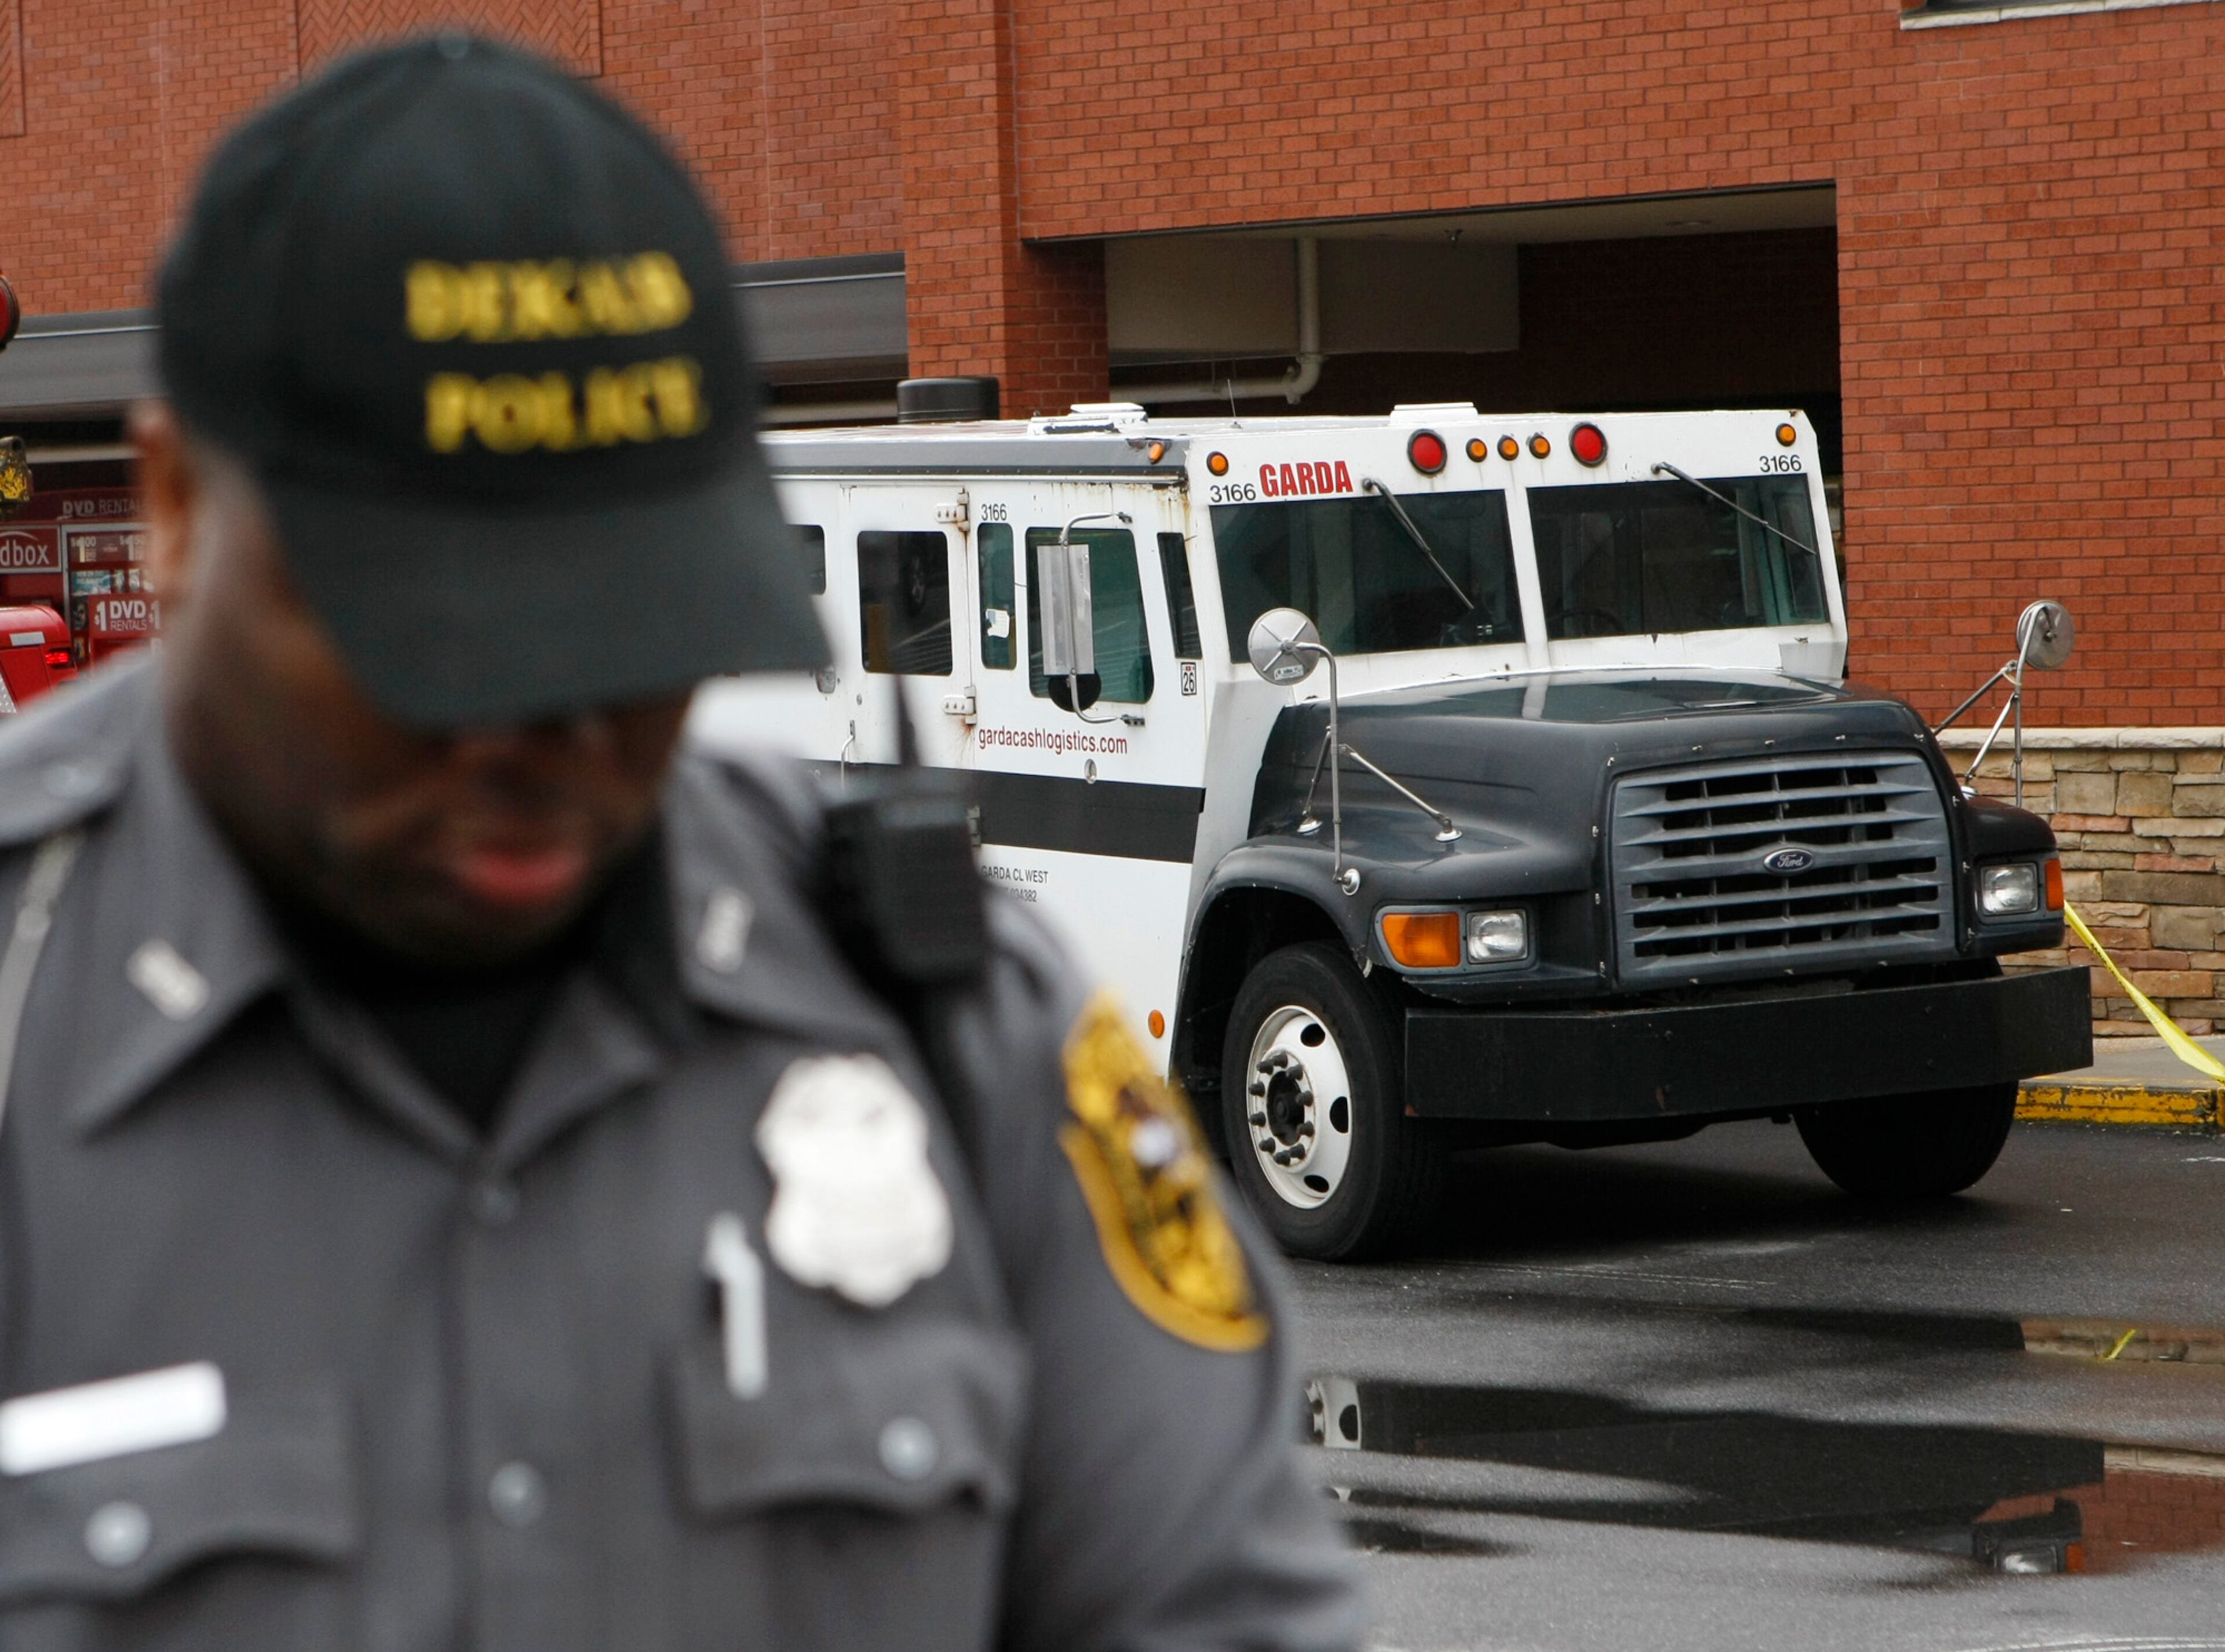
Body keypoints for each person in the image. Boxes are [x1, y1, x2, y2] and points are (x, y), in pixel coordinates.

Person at [0, 35, 1365, 1651]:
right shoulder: (32, 989)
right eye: (435, 646)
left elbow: (1230, 1611)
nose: (544, 739)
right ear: (172, 510)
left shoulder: (937, 995)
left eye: (623, 634)